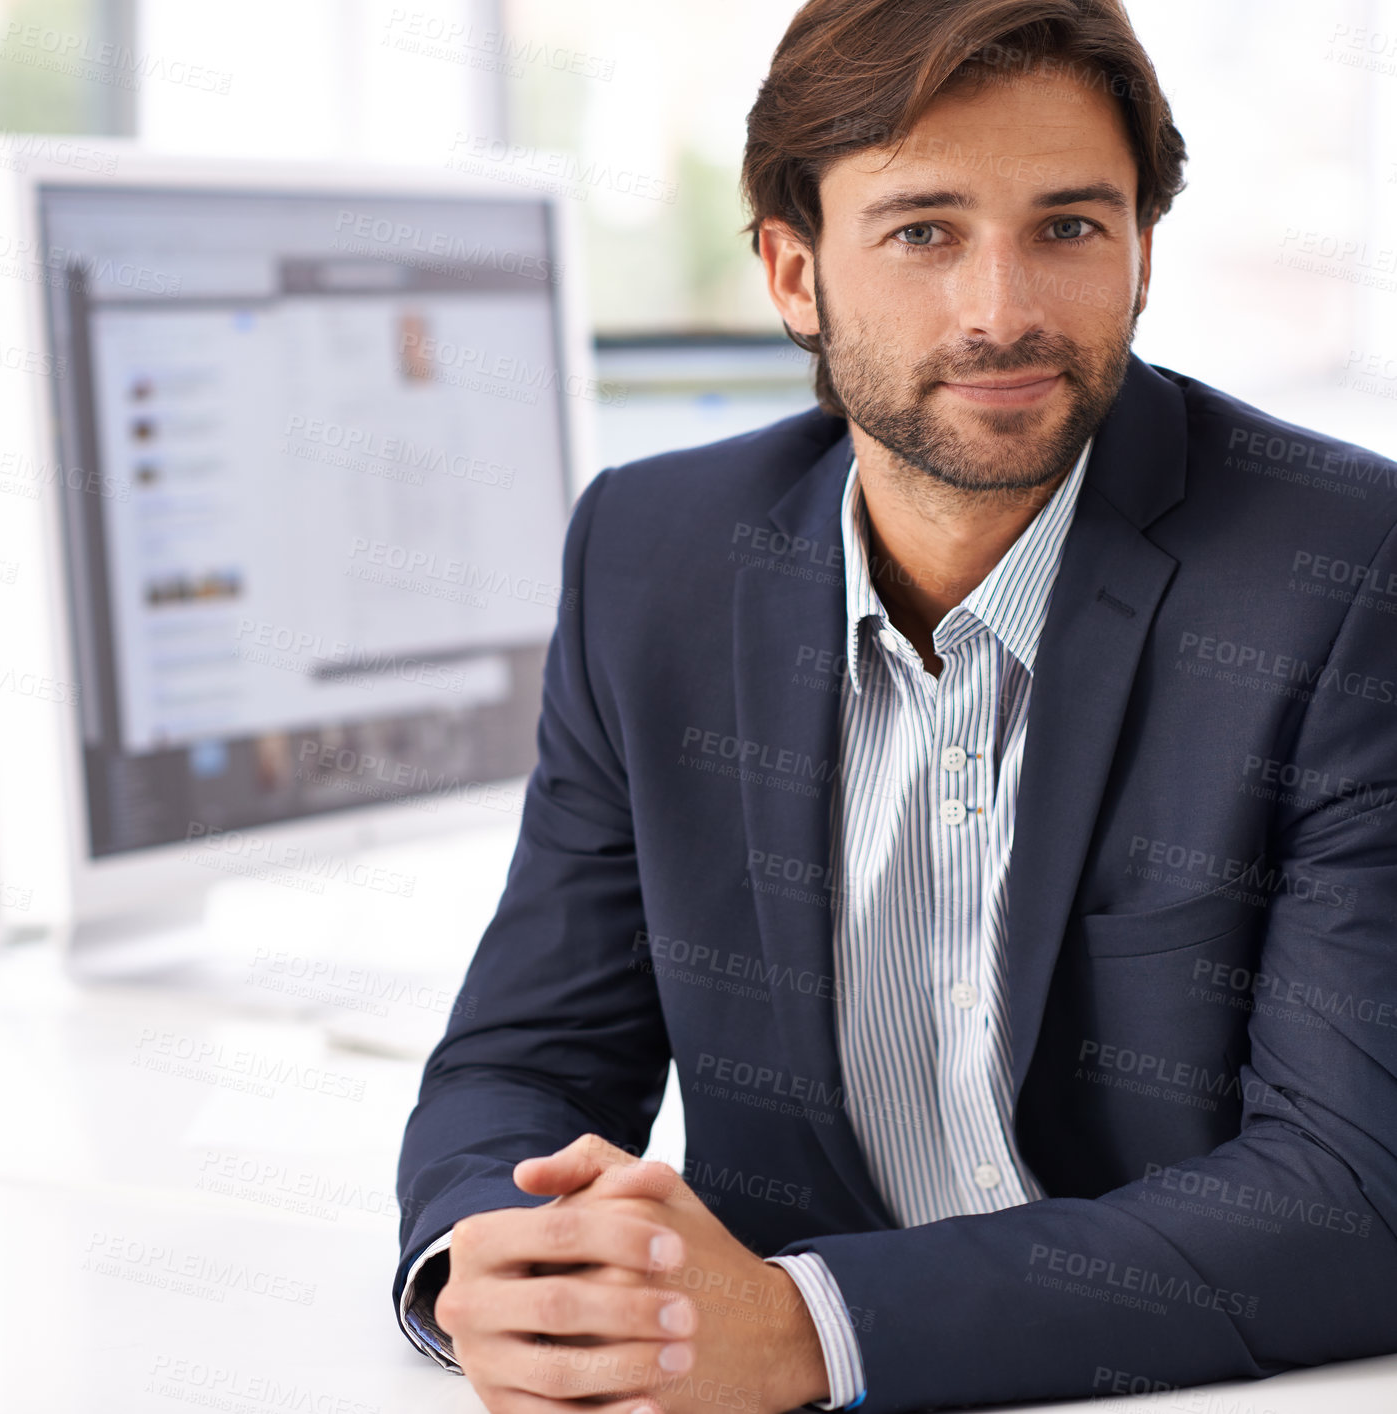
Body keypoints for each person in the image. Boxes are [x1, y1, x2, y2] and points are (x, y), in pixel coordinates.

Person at [394, 2, 1397, 1410]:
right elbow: (531, 1053)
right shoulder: (652, 555)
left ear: (1141, 253)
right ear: (793, 271)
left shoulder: (1345, 574)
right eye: (923, 231)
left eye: (1068, 226)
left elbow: (1355, 1187)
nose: (1001, 312)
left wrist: (809, 1325)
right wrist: (494, 1259)